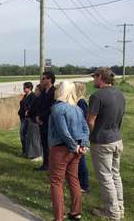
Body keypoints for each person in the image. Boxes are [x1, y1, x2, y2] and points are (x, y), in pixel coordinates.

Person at [87, 68, 125, 220]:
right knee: (115, 175)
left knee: (105, 177)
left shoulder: (97, 96)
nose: (93, 80)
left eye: (94, 77)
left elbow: (90, 120)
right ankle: (119, 207)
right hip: (117, 139)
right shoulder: (119, 93)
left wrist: (92, 134)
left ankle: (112, 212)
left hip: (102, 142)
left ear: (100, 77)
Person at [48, 81, 89, 221]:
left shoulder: (57, 108)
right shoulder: (77, 108)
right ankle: (76, 212)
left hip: (61, 149)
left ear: (62, 91)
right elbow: (85, 129)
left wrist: (74, 145)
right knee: (73, 179)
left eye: (58, 87)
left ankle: (58, 218)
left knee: (56, 182)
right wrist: (83, 145)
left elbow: (63, 131)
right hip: (76, 149)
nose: (56, 89)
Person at [35, 71, 56, 171]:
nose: (41, 80)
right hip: (41, 122)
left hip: (49, 122)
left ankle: (52, 165)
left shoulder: (54, 91)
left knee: (51, 145)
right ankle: (45, 164)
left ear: (49, 79)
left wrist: (41, 117)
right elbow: (39, 106)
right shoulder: (43, 91)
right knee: (44, 144)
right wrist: (37, 117)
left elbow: (52, 107)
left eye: (43, 78)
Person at [74, 82, 89, 193]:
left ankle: (84, 184)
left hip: (80, 134)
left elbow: (83, 120)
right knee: (77, 159)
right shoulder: (76, 101)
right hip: (77, 133)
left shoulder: (81, 102)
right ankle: (78, 181)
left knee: (81, 159)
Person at [25, 84, 43, 160]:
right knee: (31, 138)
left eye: (36, 90)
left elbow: (36, 110)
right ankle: (32, 154)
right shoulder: (36, 98)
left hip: (36, 121)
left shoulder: (40, 99)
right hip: (32, 120)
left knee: (35, 139)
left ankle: (38, 155)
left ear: (40, 91)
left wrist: (29, 112)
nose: (35, 91)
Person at [18, 82, 35, 156]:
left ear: (30, 88)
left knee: (23, 134)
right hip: (22, 117)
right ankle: (24, 150)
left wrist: (27, 111)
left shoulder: (32, 96)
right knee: (23, 134)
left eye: (25, 88)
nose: (23, 89)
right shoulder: (25, 95)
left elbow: (32, 106)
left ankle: (26, 151)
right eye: (23, 87)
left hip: (26, 118)